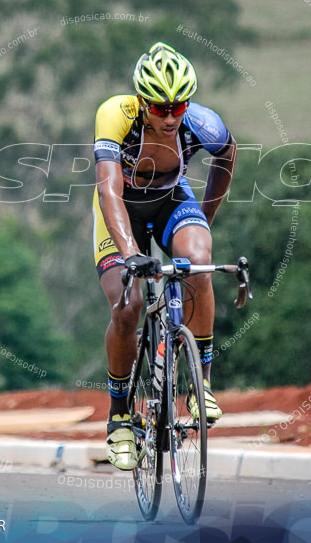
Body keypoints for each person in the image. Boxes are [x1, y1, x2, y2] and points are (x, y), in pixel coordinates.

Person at [92, 42, 237, 470]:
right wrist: (132, 253)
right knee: (129, 305)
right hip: (122, 211)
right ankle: (120, 417)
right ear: (142, 101)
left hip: (173, 199)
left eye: (178, 106)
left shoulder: (203, 123)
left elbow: (228, 156)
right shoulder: (115, 114)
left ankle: (200, 384)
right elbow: (108, 190)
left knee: (198, 260)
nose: (171, 116)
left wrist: (204, 218)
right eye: (160, 108)